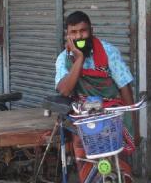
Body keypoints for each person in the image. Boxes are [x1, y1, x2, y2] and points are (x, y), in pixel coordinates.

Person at [55, 11, 134, 182]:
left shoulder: (109, 52)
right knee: (85, 161)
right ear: (68, 36)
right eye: (73, 33)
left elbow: (125, 87)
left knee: (120, 166)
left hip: (111, 116)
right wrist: (80, 59)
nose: (79, 36)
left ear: (91, 30)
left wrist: (131, 122)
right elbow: (65, 90)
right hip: (83, 119)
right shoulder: (63, 59)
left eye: (83, 31)